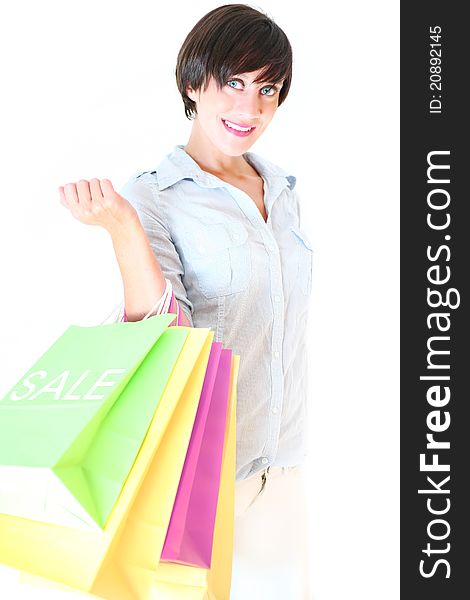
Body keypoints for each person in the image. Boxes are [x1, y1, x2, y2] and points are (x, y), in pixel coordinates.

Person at [58, 4, 313, 598]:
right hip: (198, 473)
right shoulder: (153, 197)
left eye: (267, 88)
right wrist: (122, 227)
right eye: (233, 83)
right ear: (193, 82)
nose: (249, 108)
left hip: (280, 464)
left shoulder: (281, 189)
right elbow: (167, 339)